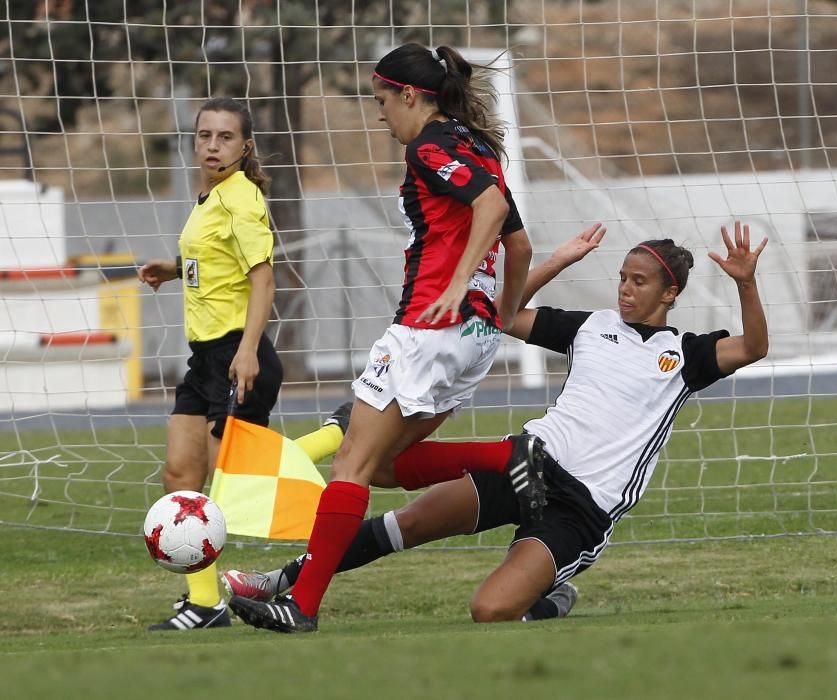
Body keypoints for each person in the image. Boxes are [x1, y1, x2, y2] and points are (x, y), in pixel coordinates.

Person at [226, 220, 769, 628]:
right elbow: (505, 317)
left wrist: (746, 283)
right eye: (623, 278)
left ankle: (550, 597)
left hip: (582, 506)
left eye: (640, 282)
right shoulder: (591, 328)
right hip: (526, 462)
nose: (626, 290)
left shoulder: (686, 354)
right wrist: (556, 262)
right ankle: (281, 582)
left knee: (490, 611)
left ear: (669, 294)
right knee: (405, 518)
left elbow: (753, 347)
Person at [227, 43, 536, 634]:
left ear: (411, 96)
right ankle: (509, 456)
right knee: (388, 466)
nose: (378, 113)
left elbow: (491, 209)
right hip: (471, 337)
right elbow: (518, 245)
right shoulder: (476, 146)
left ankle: (302, 605)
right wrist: (499, 316)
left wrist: (459, 282)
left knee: (352, 462)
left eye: (381, 100)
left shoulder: (431, 146)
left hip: (429, 327)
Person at [137, 96, 348, 631]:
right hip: (204, 357)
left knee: (235, 485)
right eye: (204, 135)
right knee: (181, 476)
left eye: (225, 137)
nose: (212, 145)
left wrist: (249, 350)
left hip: (238, 355)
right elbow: (215, 260)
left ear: (245, 145)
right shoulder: (209, 197)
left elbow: (262, 277)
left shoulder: (242, 197)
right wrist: (175, 265)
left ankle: (335, 434)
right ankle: (206, 606)